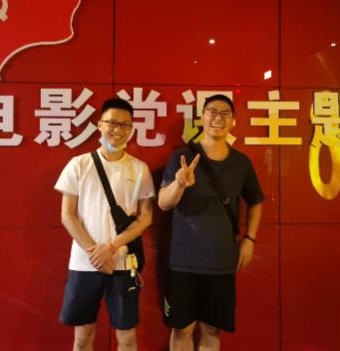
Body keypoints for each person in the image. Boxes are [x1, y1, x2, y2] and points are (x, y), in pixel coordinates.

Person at [158, 94, 264, 351]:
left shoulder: (241, 162)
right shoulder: (182, 157)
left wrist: (249, 239)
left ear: (233, 121)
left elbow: (256, 201)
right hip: (183, 262)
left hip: (222, 263)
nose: (218, 117)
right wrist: (179, 183)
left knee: (211, 329)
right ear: (202, 118)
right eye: (212, 111)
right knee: (182, 329)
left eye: (225, 113)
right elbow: (163, 203)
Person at [55, 98, 155, 351]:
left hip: (123, 263)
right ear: (99, 125)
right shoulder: (79, 164)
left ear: (131, 129)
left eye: (125, 125)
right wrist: (96, 253)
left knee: (127, 339)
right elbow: (68, 215)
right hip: (84, 263)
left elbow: (145, 217)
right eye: (112, 123)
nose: (118, 130)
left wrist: (110, 248)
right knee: (82, 338)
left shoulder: (139, 169)